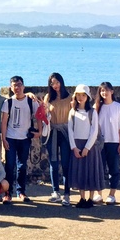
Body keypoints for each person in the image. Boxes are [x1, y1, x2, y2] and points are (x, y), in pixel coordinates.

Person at [0, 75, 40, 203]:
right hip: (11, 137)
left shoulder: (30, 101)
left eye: (19, 85)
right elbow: (4, 122)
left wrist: (39, 131)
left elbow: (39, 115)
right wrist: (4, 139)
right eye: (14, 85)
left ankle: (21, 191)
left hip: (24, 138)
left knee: (22, 166)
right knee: (9, 166)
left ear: (23, 86)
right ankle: (8, 193)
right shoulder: (8, 102)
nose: (17, 87)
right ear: (11, 87)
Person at [68, 84, 105, 208]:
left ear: (87, 97)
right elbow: (70, 130)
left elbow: (94, 131)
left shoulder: (92, 112)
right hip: (77, 145)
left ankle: (90, 198)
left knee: (91, 171)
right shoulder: (72, 112)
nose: (80, 97)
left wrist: (87, 147)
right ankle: (82, 198)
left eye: (83, 95)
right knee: (80, 172)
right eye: (78, 95)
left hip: (90, 146)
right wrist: (74, 147)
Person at [95, 82, 120, 205]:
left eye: (106, 90)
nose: (104, 93)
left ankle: (112, 194)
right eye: (102, 91)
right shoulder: (97, 107)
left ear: (112, 91)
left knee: (114, 170)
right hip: (100, 143)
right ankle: (99, 194)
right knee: (99, 169)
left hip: (114, 142)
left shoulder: (118, 107)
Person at [43, 72, 73, 206]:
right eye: (52, 83)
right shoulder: (48, 97)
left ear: (61, 81)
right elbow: (43, 114)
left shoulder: (70, 98)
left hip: (66, 133)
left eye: (56, 82)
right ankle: (56, 191)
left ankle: (67, 194)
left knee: (66, 164)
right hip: (53, 132)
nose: (55, 85)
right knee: (53, 163)